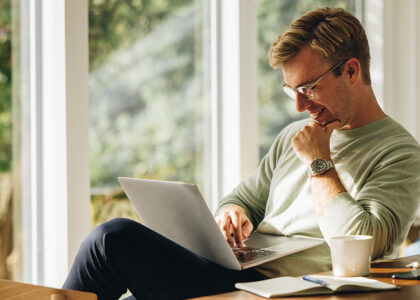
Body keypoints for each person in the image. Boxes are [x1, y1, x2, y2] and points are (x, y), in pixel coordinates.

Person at [63, 7, 420, 300]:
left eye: (309, 88)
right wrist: (231, 214)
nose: (298, 106)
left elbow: (365, 243)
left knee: (112, 240)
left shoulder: (399, 153)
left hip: (291, 290)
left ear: (352, 70)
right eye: (290, 90)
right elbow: (242, 198)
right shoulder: (292, 136)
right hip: (239, 274)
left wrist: (319, 163)